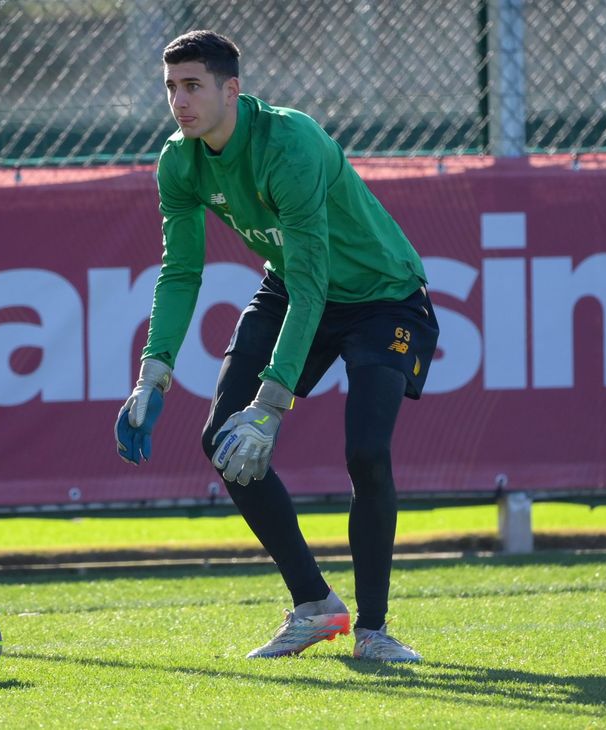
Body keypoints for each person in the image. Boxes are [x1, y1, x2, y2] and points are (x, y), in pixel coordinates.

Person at [115, 30, 439, 663]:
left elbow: (317, 282)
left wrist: (271, 404)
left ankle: (372, 631)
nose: (179, 103)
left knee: (366, 452)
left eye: (193, 86)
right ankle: (315, 606)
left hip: (382, 296)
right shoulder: (178, 160)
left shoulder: (290, 143)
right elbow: (180, 271)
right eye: (171, 88)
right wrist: (152, 373)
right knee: (222, 439)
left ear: (231, 89)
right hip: (291, 286)